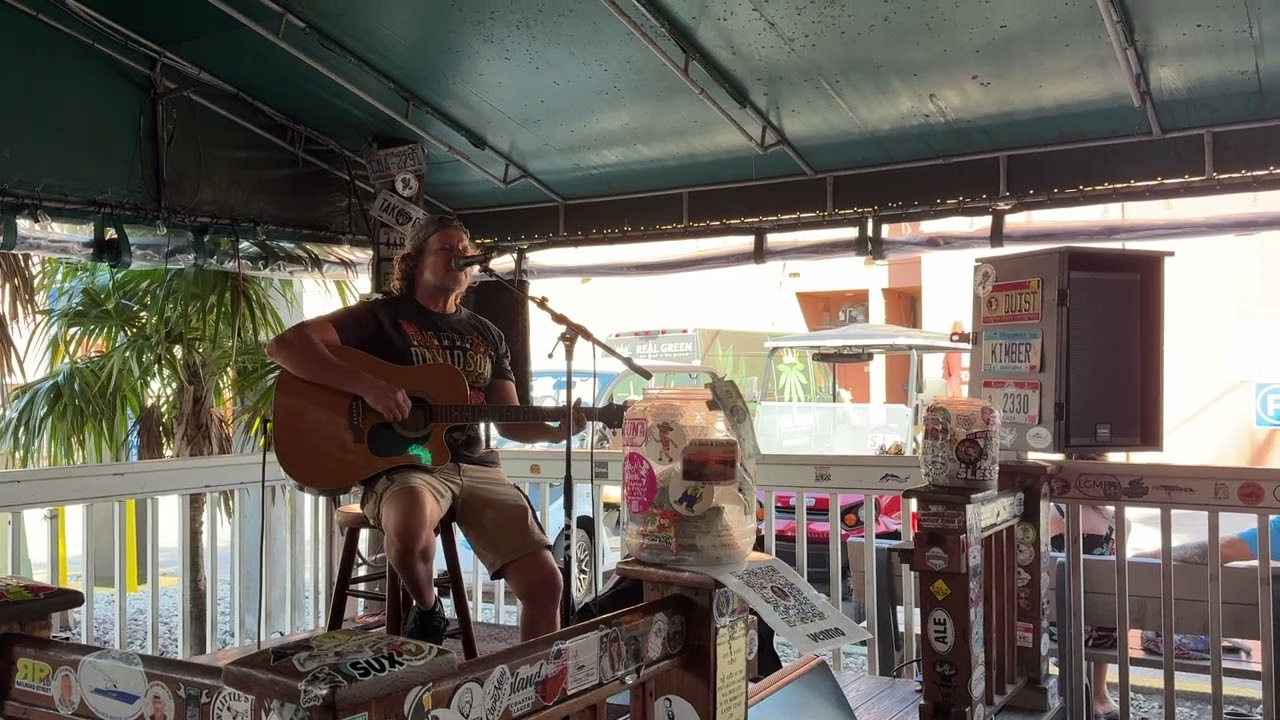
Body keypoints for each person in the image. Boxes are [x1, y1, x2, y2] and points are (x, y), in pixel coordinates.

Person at [266, 214, 584, 645]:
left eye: (465, 251)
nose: (459, 257)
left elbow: (510, 419)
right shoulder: (379, 317)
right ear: (415, 261)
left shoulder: (487, 333)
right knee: (411, 526)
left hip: (475, 466)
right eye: (446, 249)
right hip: (406, 463)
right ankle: (429, 609)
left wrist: (552, 432)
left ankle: (537, 696)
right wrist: (369, 387)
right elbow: (285, 345)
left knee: (547, 583)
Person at [1048, 502, 1120, 720]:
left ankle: (1066, 688)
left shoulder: (1050, 515)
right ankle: (1099, 695)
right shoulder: (1117, 521)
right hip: (1103, 635)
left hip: (1056, 627)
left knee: (1060, 605)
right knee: (1107, 611)